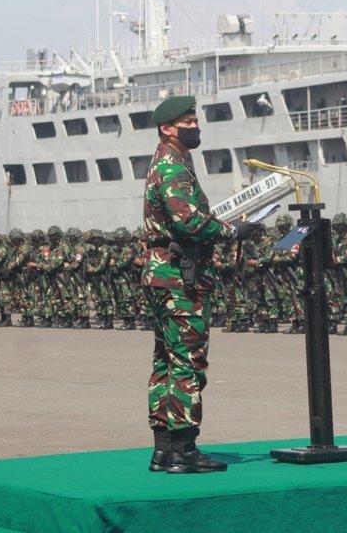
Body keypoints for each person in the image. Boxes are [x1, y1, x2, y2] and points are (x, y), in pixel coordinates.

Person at [141, 95, 250, 474]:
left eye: (195, 120)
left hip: (166, 275)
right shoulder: (172, 167)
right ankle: (184, 451)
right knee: (188, 363)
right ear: (167, 128)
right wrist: (232, 230)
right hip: (179, 279)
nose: (195, 126)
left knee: (167, 362)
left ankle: (164, 449)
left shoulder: (169, 162)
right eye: (188, 122)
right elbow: (188, 223)